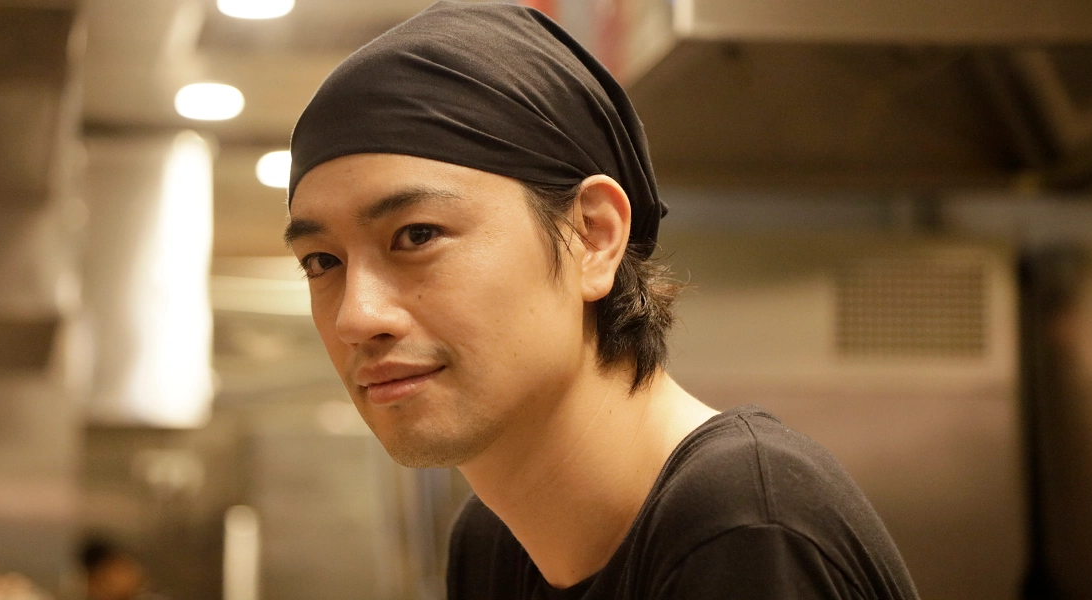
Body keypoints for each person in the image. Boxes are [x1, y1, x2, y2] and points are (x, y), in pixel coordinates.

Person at [284, 2, 920, 598]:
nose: (357, 317)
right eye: (323, 262)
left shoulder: (744, 524)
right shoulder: (495, 544)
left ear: (592, 235)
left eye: (416, 235)